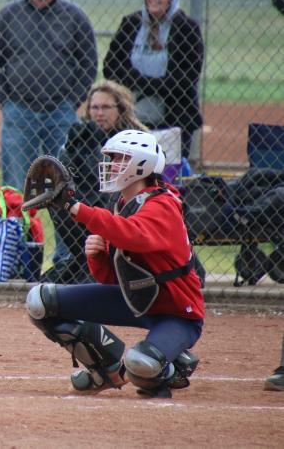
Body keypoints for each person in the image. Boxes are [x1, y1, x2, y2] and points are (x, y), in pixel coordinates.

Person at [25, 129, 204, 398]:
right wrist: (97, 256)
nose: (110, 165)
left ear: (141, 165)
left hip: (177, 313)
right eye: (111, 158)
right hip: (136, 300)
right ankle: (106, 369)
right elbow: (110, 278)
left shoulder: (163, 204)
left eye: (119, 158)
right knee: (41, 301)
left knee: (141, 365)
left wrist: (77, 209)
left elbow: (135, 236)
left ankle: (169, 367)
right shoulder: (124, 203)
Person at [0, 0, 97, 191]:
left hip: (61, 112)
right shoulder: (7, 16)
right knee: (16, 186)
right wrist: (5, 101)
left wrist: (72, 101)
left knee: (65, 185)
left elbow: (88, 63)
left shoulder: (75, 17)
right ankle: (18, 227)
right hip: (18, 109)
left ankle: (65, 229)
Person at [46, 81, 148, 284]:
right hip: (87, 208)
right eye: (95, 107)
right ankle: (71, 256)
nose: (99, 113)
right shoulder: (81, 136)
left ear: (120, 108)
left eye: (106, 107)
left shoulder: (135, 138)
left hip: (125, 210)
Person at [103, 0, 204, 160]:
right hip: (132, 114)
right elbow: (111, 65)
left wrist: (152, 86)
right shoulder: (131, 23)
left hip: (175, 116)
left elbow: (189, 74)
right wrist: (140, 82)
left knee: (168, 172)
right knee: (130, 169)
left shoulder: (187, 28)